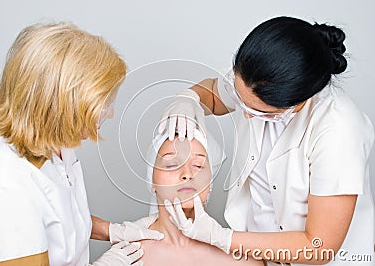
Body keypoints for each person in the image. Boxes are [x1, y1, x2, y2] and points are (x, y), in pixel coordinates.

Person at [159, 16, 375, 265]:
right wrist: (189, 98)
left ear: (297, 100)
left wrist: (222, 238)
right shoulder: (253, 79)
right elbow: (216, 96)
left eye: (262, 112)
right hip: (256, 254)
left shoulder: (339, 131)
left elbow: (318, 247)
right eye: (240, 101)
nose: (247, 114)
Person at [0, 22, 163, 265]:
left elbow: (60, 219)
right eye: (102, 102)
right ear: (65, 101)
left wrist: (113, 231)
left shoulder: (55, 145)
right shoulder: (7, 178)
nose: (110, 113)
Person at [138, 128, 263, 265]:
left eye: (198, 165)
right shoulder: (129, 253)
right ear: (152, 182)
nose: (187, 173)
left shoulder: (241, 259)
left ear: (210, 183)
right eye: (171, 165)